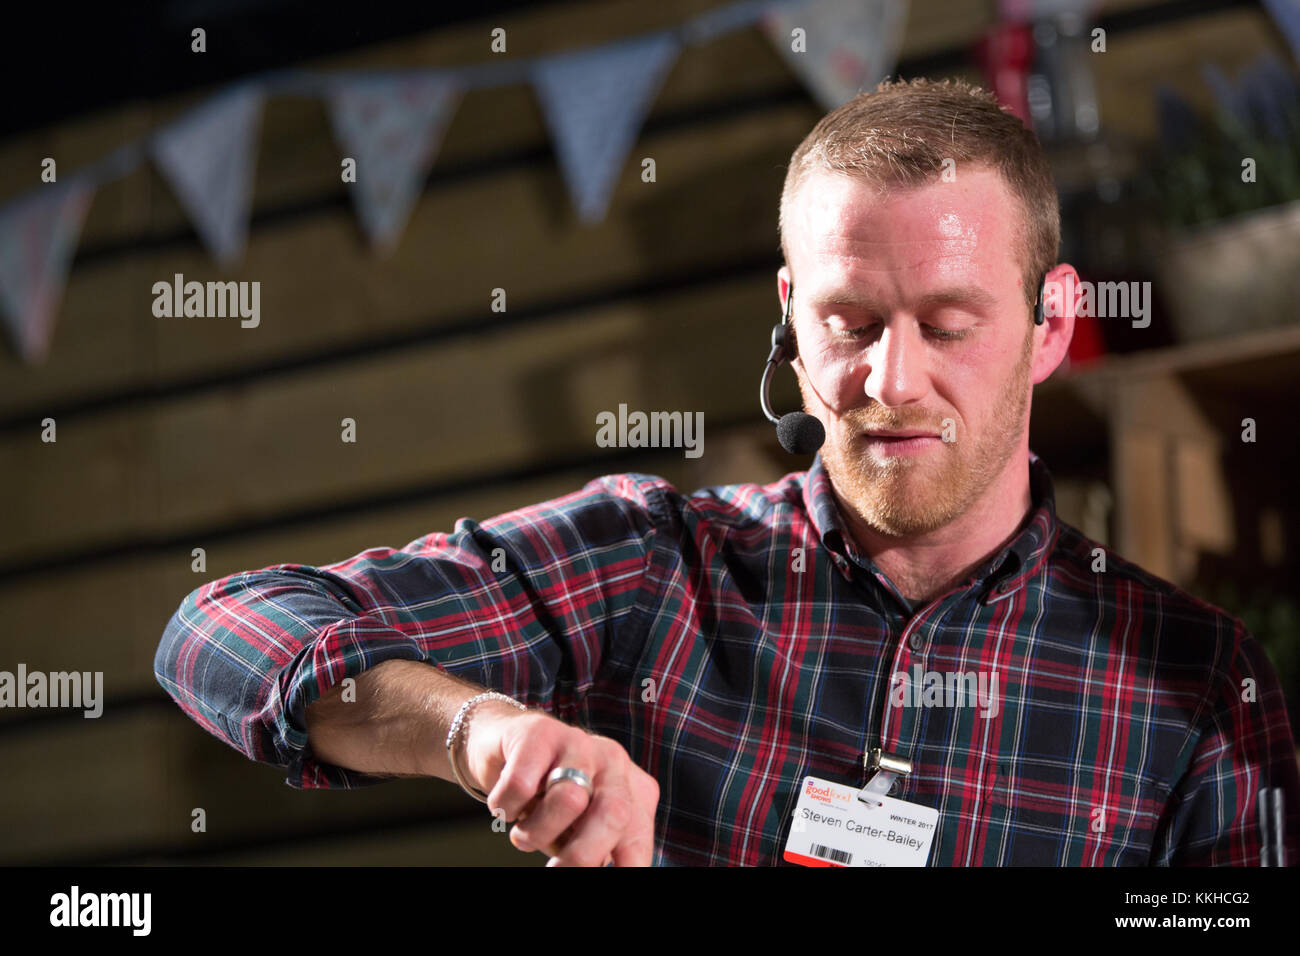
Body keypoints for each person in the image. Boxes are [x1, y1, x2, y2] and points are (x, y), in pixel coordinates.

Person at [155, 77, 1299, 867]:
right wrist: (477, 731)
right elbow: (217, 630)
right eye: (851, 323)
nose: (890, 379)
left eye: (949, 323)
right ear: (793, 323)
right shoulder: (652, 564)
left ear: (1051, 325)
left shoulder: (1197, 689)